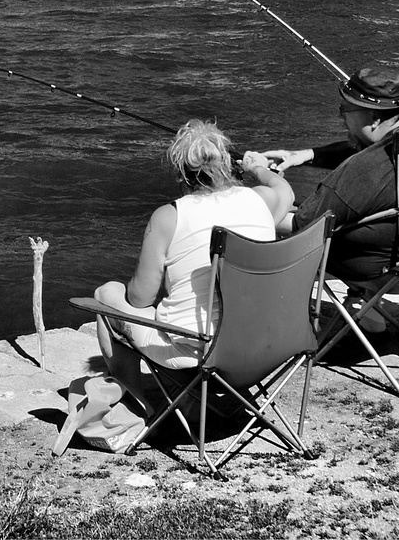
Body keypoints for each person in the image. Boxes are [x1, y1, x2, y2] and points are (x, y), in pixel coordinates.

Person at [56, 119, 292, 455]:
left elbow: (139, 299)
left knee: (107, 294)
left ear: (181, 173)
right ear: (227, 162)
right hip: (271, 344)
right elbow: (285, 191)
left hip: (201, 351)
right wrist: (257, 169)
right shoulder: (260, 200)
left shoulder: (169, 217)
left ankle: (137, 406)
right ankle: (195, 400)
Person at [242, 66, 399, 332]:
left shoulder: (361, 170)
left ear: (372, 118)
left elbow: (303, 226)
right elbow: (368, 150)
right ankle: (367, 306)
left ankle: (271, 324)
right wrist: (307, 154)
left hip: (379, 270)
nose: (340, 118)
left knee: (269, 216)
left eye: (345, 111)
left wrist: (261, 187)